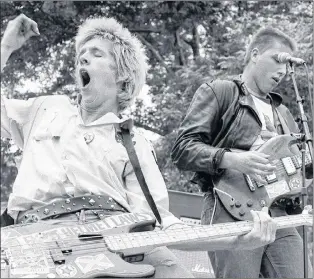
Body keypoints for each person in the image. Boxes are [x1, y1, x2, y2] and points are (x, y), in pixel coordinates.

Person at [1, 14, 277, 278]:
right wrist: (6, 46)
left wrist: (237, 241)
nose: (83, 57)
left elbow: (162, 224)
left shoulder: (134, 143)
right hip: (31, 238)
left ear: (123, 79)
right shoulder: (46, 107)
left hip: (111, 242)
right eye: (81, 54)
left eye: (98, 54)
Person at [171, 26, 313, 278]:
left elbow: (297, 168)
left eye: (287, 63)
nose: (283, 69)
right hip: (231, 207)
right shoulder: (220, 91)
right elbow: (182, 149)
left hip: (279, 213)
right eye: (278, 58)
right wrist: (235, 159)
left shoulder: (284, 113)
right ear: (255, 54)